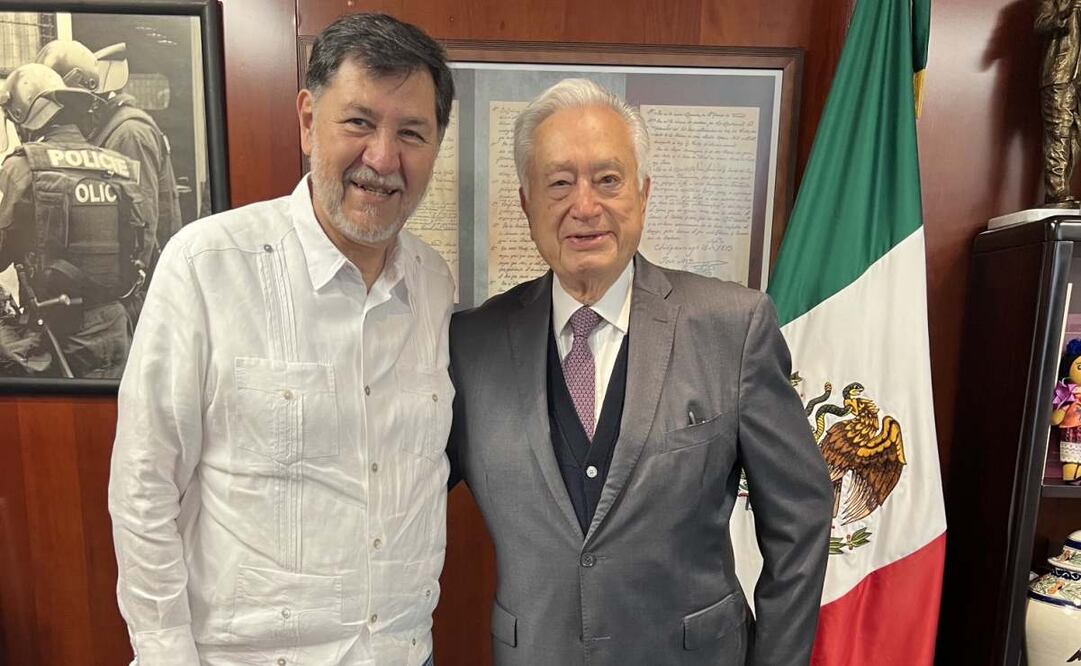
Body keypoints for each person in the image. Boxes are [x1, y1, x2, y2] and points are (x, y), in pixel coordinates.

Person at [447, 79, 833, 665]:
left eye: (608, 179)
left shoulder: (734, 327)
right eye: (559, 183)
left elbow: (800, 515)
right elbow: (408, 489)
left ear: (643, 193)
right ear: (526, 203)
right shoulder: (472, 344)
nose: (585, 207)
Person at [108, 13, 455, 665]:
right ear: (307, 120)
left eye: (411, 132)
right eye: (359, 122)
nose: (383, 159)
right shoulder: (208, 265)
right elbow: (143, 486)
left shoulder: (434, 284)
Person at [0, 63, 147, 378]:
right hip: (118, 327)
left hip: (60, 334)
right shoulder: (118, 166)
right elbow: (142, 243)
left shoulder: (23, 167)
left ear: (23, 117)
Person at [36, 39, 183, 271]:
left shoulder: (129, 133)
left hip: (147, 276)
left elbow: (142, 220)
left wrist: (133, 281)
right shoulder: (108, 129)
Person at [1037, 0, 1081, 205]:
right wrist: (1064, 13)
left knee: (1076, 133)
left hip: (1078, 76)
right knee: (1059, 132)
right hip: (1060, 74)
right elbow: (1040, 24)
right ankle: (1057, 191)